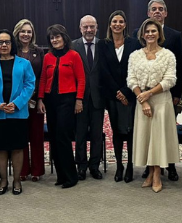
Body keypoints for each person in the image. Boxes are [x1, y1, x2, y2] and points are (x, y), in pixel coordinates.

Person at [0, 30, 36, 195]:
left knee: (18, 147)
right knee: (1, 148)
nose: (3, 45)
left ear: (12, 44)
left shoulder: (24, 64)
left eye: (7, 42)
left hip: (18, 113)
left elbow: (30, 85)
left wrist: (17, 104)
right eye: (0, 42)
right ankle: (4, 180)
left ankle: (17, 180)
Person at [135, 0, 182, 181]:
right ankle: (150, 167)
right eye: (153, 9)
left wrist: (178, 94)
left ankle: (170, 166)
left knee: (166, 131)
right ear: (148, 13)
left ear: (166, 13)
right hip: (144, 94)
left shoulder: (174, 35)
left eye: (160, 9)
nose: (157, 12)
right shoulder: (138, 34)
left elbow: (179, 66)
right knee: (148, 131)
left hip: (166, 93)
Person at [128, 18, 178, 193]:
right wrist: (143, 100)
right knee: (146, 137)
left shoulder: (168, 55)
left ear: (159, 34)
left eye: (153, 31)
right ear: (142, 34)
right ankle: (149, 172)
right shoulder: (134, 55)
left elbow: (170, 79)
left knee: (158, 138)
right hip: (142, 101)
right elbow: (131, 80)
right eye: (147, 31)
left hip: (162, 100)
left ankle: (157, 174)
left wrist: (149, 94)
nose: (150, 34)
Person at [37, 24, 85, 189]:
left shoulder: (74, 55)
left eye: (57, 36)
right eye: (52, 37)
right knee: (53, 139)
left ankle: (71, 176)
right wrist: (41, 99)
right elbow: (43, 79)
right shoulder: (48, 57)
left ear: (64, 38)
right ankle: (60, 175)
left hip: (68, 100)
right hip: (50, 101)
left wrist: (79, 100)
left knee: (63, 138)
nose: (55, 40)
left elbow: (81, 79)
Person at [99, 10, 141, 183]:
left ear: (125, 24)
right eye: (114, 21)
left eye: (120, 21)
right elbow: (103, 70)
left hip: (130, 93)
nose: (117, 24)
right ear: (110, 24)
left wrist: (125, 90)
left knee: (130, 131)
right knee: (116, 131)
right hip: (111, 95)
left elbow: (137, 69)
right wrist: (117, 91)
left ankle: (130, 165)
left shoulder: (134, 43)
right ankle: (119, 166)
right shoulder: (103, 44)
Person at [71, 15, 104, 180]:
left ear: (97, 27)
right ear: (80, 28)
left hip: (98, 98)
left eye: (92, 27)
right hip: (80, 99)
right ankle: (81, 166)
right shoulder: (73, 46)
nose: (89, 30)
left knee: (97, 135)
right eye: (86, 27)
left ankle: (95, 166)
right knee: (80, 134)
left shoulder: (104, 45)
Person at [13, 19, 46, 181]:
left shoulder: (39, 51)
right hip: (17, 101)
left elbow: (42, 77)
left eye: (29, 31)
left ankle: (37, 171)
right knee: (20, 136)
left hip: (34, 100)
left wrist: (40, 99)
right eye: (23, 31)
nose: (26, 34)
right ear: (17, 32)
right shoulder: (12, 51)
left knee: (36, 135)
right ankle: (23, 169)